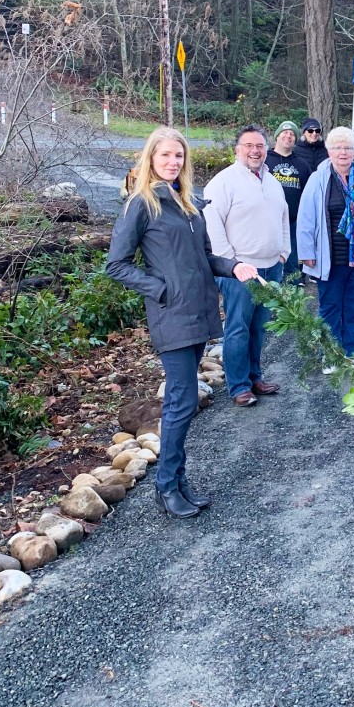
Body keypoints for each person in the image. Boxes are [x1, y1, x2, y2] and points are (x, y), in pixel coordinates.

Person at [106, 127, 259, 518]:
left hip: (199, 311)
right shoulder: (141, 203)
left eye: (178, 156)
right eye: (165, 156)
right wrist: (159, 288)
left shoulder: (188, 203)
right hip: (171, 314)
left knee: (183, 400)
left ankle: (177, 480)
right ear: (151, 159)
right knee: (180, 400)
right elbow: (116, 265)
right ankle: (167, 485)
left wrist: (234, 265)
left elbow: (206, 258)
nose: (173, 162)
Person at [203, 125, 290, 407]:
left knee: (259, 326)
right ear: (237, 149)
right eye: (249, 145)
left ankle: (255, 377)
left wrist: (284, 252)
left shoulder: (272, 181)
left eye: (260, 146)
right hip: (239, 270)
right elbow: (211, 225)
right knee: (238, 328)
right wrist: (231, 262)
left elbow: (283, 218)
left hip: (271, 267)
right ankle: (238, 385)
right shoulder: (223, 182)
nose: (255, 151)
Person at [297, 126, 354, 369]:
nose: (342, 152)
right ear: (328, 150)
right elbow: (306, 217)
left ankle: (352, 351)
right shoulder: (319, 178)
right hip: (331, 258)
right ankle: (331, 353)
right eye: (337, 147)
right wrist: (306, 252)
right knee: (330, 307)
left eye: (347, 147)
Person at [265, 119, 311, 284]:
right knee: (269, 264)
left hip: (293, 224)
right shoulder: (264, 161)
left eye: (292, 134)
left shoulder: (302, 165)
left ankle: (291, 303)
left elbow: (309, 196)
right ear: (277, 136)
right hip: (267, 223)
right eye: (284, 132)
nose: (288, 136)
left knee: (292, 267)